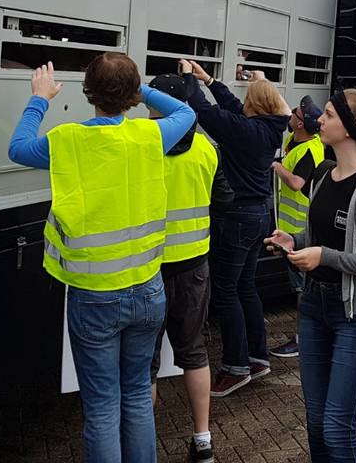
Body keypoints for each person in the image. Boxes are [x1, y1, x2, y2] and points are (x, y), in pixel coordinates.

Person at [7, 55, 196, 463]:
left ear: (87, 91)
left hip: (95, 298)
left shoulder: (68, 140)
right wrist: (136, 89)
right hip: (148, 292)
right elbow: (186, 109)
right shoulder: (151, 136)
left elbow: (17, 148)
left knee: (103, 406)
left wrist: (39, 99)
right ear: (131, 96)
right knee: (136, 398)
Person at [264, 88, 356, 463]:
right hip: (313, 309)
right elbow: (323, 233)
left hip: (355, 319)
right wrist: (295, 240)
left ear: (351, 127)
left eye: (327, 114)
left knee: (337, 430)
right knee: (315, 422)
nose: (318, 121)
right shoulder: (324, 174)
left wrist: (324, 256)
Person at [177, 59, 289, 397]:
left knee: (226, 292)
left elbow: (202, 110)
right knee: (245, 289)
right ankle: (258, 357)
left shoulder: (246, 130)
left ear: (254, 104)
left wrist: (186, 78)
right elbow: (232, 106)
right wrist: (209, 79)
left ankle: (236, 366)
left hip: (237, 218)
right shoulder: (271, 126)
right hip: (258, 218)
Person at [145, 73, 230, 463]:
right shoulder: (207, 149)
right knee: (194, 352)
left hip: (149, 267)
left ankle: (143, 442)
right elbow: (224, 197)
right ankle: (202, 440)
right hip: (194, 265)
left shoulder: (144, 146)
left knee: (144, 362)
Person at [269, 95, 326, 358]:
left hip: (300, 233)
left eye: (295, 113)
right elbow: (282, 110)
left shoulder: (308, 151)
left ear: (300, 124)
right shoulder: (302, 139)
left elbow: (296, 184)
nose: (290, 114)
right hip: (292, 231)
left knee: (302, 288)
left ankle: (303, 339)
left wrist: (277, 167)